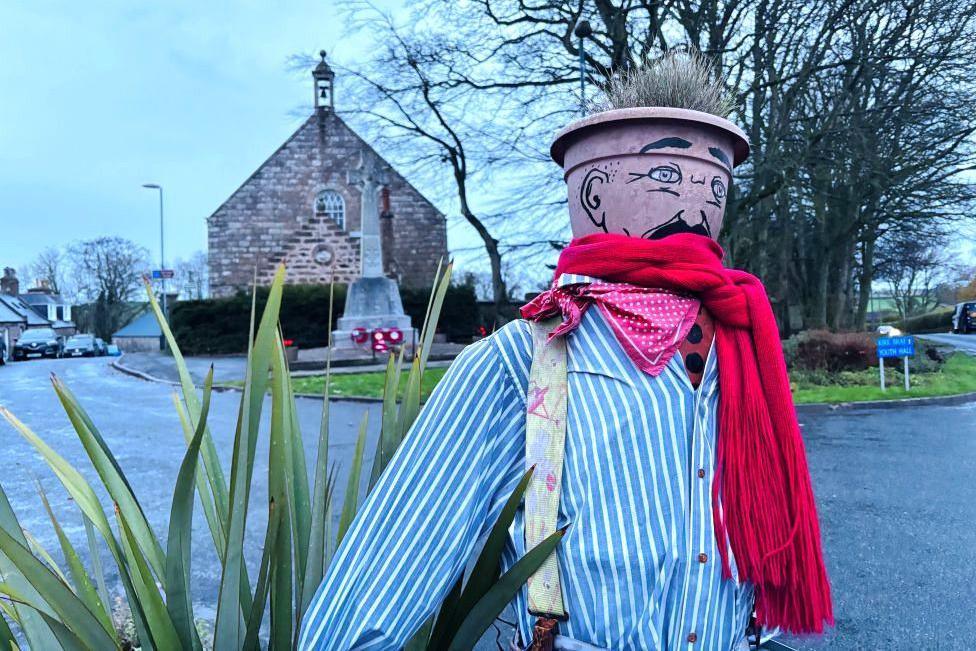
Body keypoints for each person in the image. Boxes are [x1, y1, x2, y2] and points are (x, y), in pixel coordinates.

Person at [299, 52, 832, 651]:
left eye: (714, 184)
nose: (695, 207)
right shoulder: (522, 361)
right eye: (664, 177)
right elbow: (390, 568)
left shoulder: (743, 345)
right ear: (594, 194)